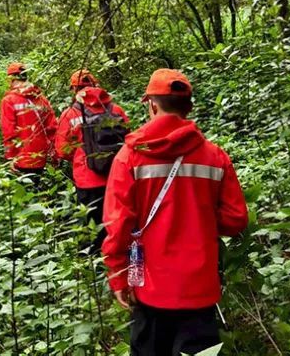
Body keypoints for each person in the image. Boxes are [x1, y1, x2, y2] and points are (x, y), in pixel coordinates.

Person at [102, 69, 248, 356]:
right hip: (200, 289)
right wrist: (198, 217)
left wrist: (120, 277)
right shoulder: (214, 156)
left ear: (152, 105)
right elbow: (235, 220)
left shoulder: (129, 157)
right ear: (189, 108)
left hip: (147, 287)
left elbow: (119, 225)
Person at [55, 69, 129, 254]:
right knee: (116, 222)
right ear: (95, 85)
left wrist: (80, 156)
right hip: (116, 177)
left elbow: (62, 150)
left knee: (90, 226)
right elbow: (128, 139)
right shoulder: (115, 110)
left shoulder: (70, 114)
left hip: (87, 180)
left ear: (75, 89)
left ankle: (92, 267)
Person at [0, 62, 58, 175]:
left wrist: (10, 158)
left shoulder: (9, 100)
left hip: (20, 159)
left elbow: (9, 133)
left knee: (23, 191)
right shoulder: (40, 98)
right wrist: (54, 154)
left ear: (10, 78)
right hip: (41, 157)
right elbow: (52, 127)